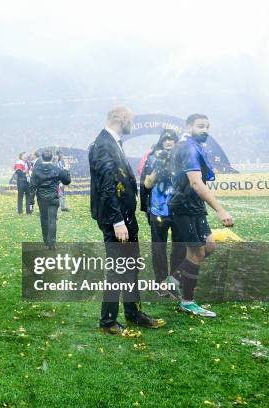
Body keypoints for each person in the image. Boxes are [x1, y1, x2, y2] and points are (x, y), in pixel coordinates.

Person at [89, 106, 166, 334]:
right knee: (118, 269)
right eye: (130, 119)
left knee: (130, 266)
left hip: (124, 217)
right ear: (121, 118)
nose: (131, 123)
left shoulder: (112, 142)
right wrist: (117, 221)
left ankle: (133, 313)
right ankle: (108, 322)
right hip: (117, 219)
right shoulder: (103, 144)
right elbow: (106, 186)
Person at [169, 114, 234, 317]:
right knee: (196, 254)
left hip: (194, 206)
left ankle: (171, 281)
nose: (205, 129)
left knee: (209, 247)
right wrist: (220, 210)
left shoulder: (192, 145)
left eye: (207, 126)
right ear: (189, 127)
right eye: (200, 126)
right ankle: (187, 302)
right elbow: (196, 183)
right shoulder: (187, 147)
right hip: (185, 207)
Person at [139, 129, 185, 297]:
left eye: (171, 139)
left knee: (179, 247)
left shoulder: (183, 157)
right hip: (158, 209)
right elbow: (147, 184)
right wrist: (158, 166)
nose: (168, 142)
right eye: (165, 139)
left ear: (175, 141)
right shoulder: (152, 158)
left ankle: (174, 281)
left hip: (179, 210)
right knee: (158, 248)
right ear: (161, 141)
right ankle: (161, 283)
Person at [29, 149, 71, 250]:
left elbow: (32, 186)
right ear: (52, 158)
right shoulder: (56, 169)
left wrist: (31, 200)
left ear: (41, 158)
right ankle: (51, 242)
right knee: (52, 220)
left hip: (42, 198)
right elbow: (67, 181)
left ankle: (46, 240)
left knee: (44, 219)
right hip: (53, 198)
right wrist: (66, 170)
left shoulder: (36, 170)